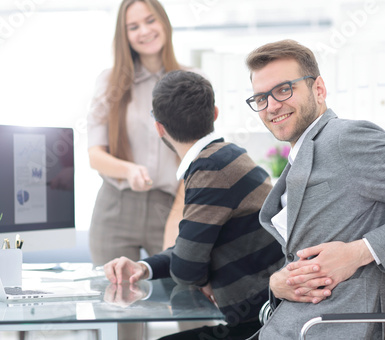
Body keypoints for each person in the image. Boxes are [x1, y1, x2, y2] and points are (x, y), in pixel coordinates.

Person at [244, 39, 385, 339]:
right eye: (261, 98)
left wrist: (358, 252)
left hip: (328, 329)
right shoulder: (304, 154)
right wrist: (277, 283)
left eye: (284, 89)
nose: (272, 106)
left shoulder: (346, 139)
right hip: (293, 325)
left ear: (318, 89)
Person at [103, 70, 285, 340]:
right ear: (214, 113)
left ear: (159, 127)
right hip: (260, 315)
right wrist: (145, 267)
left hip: (261, 325)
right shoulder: (226, 156)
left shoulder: (210, 169)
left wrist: (197, 272)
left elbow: (186, 268)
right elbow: (192, 251)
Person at [87, 0, 195, 338]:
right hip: (115, 209)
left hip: (170, 207)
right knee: (127, 320)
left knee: (189, 302)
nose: (144, 31)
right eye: (134, 26)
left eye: (150, 20)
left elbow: (196, 156)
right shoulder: (110, 82)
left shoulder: (190, 81)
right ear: (124, 35)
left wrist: (176, 220)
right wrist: (129, 169)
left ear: (163, 22)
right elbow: (95, 154)